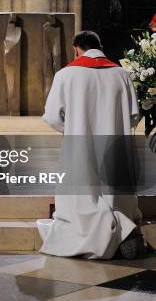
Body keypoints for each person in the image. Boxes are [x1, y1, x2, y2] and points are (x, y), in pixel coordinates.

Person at [38, 31, 144, 259]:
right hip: (114, 147)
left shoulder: (66, 74)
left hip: (80, 147)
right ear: (100, 46)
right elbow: (134, 114)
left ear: (77, 48)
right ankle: (123, 227)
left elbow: (53, 117)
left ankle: (98, 229)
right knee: (114, 191)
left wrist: (74, 128)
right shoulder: (121, 73)